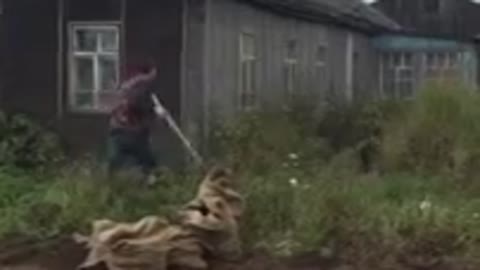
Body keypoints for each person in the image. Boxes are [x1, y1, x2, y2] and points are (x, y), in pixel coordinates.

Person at [107, 62, 166, 185]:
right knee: (146, 161)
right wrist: (155, 113)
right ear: (149, 73)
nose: (154, 78)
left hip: (118, 129)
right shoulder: (140, 86)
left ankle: (112, 183)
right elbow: (136, 106)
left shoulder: (128, 86)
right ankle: (149, 182)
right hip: (131, 131)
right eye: (153, 74)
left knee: (117, 159)